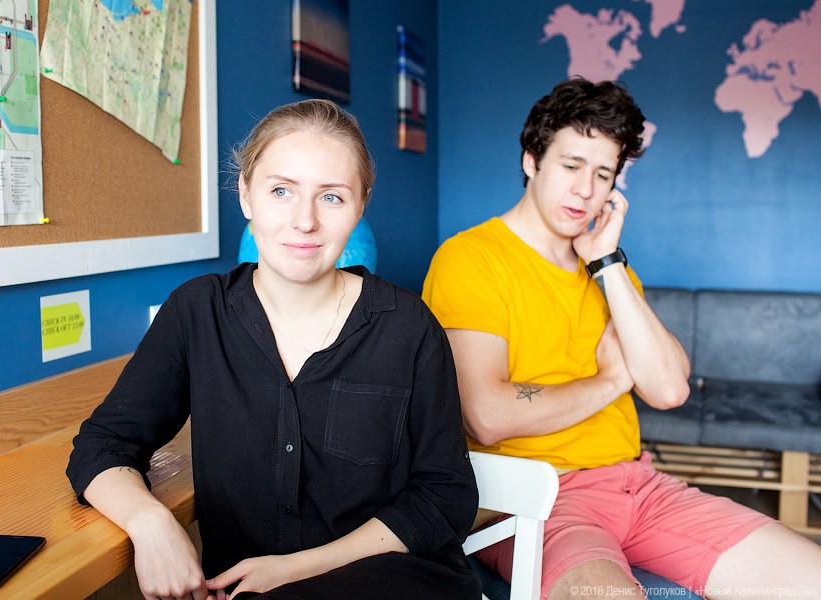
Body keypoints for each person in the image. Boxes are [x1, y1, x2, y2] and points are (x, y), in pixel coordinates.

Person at [422, 78, 821, 600]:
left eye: (602, 174)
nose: (585, 190)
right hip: (539, 498)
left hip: (638, 485)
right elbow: (488, 416)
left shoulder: (610, 271)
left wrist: (607, 263)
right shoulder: (471, 258)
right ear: (531, 161)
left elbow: (669, 389)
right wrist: (612, 380)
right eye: (571, 166)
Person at [68, 99, 481, 600]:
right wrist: (149, 521)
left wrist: (296, 569)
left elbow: (444, 496)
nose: (304, 221)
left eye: (332, 197)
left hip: (397, 582)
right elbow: (102, 445)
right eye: (281, 191)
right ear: (246, 194)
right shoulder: (197, 313)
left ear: (361, 205)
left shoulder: (408, 327)